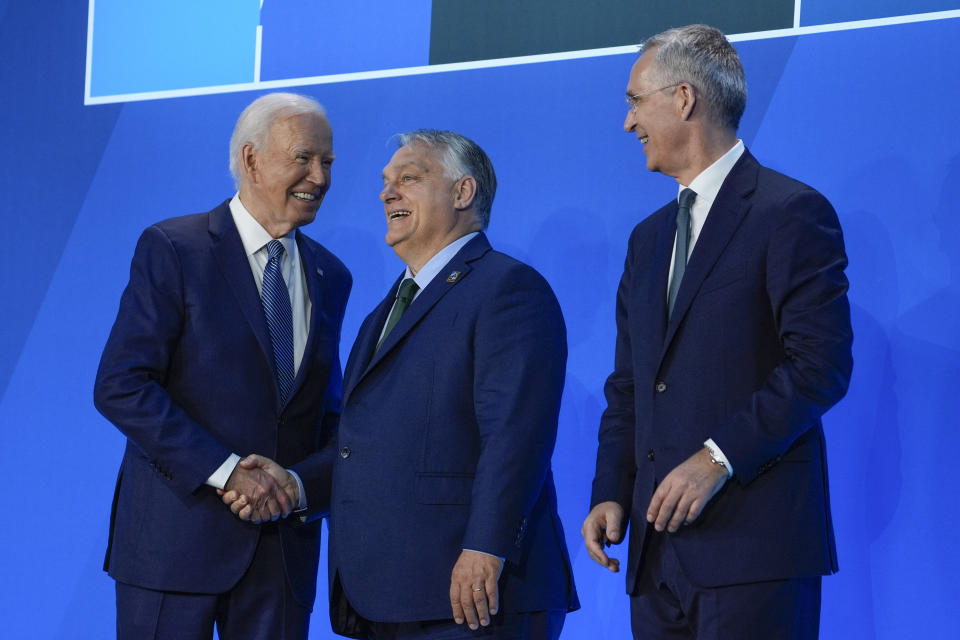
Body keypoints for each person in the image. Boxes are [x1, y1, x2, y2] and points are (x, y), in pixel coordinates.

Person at [581, 25, 853, 639]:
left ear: (683, 98)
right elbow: (630, 384)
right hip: (655, 562)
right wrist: (610, 490)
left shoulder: (789, 212)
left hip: (754, 550)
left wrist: (717, 458)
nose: (628, 124)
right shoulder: (647, 240)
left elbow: (821, 366)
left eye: (634, 102)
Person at [93, 92, 351, 640]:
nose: (320, 177)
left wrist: (301, 485)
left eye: (327, 162)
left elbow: (326, 416)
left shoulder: (332, 275)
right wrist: (227, 469)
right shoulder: (175, 248)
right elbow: (122, 385)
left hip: (281, 554)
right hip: (174, 548)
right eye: (303, 158)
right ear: (252, 158)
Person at [326, 130, 579, 639]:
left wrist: (486, 546)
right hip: (390, 596)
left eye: (409, 179)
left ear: (463, 194)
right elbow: (364, 446)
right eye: (385, 183)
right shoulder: (384, 312)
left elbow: (515, 436)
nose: (387, 193)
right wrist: (293, 485)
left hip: (475, 598)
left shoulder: (507, 289)